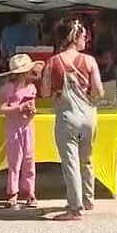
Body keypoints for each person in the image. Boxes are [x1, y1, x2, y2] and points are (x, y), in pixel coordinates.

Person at [44, 19, 103, 221]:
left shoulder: (53, 62)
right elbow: (99, 91)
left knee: (70, 162)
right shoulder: (90, 61)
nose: (86, 39)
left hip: (67, 116)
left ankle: (75, 207)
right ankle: (88, 198)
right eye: (84, 36)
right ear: (75, 37)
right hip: (88, 116)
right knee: (87, 160)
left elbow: (44, 92)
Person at [0, 53, 43, 209]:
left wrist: (31, 109)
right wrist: (19, 108)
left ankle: (30, 192)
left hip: (27, 125)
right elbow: (2, 108)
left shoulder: (31, 88)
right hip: (14, 127)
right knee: (15, 160)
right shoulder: (8, 88)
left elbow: (31, 105)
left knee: (29, 159)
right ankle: (13, 192)